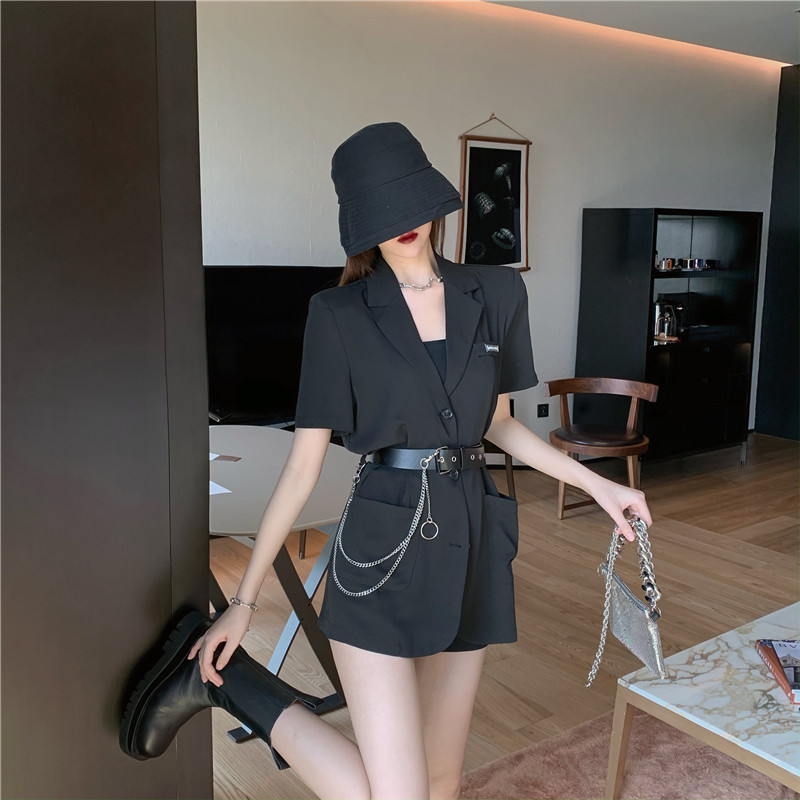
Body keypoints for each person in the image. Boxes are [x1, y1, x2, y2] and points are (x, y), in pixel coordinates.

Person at [119, 122, 652, 800]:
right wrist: (244, 602)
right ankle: (240, 689)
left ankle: (239, 690)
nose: (404, 223)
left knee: (440, 780)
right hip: (382, 544)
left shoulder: (495, 292)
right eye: (383, 211)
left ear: (433, 200)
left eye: (411, 203)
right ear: (360, 224)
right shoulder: (337, 313)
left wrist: (599, 487)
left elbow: (498, 425)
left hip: (471, 538)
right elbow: (303, 467)